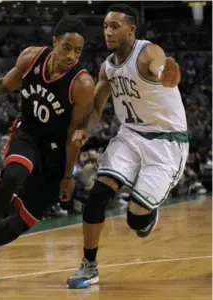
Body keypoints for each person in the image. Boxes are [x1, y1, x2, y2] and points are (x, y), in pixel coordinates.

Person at [0, 15, 95, 282]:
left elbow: (73, 135)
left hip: (56, 153)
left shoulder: (82, 84)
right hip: (28, 135)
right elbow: (2, 85)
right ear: (54, 41)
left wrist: (68, 176)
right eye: (67, 47)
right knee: (12, 175)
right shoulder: (30, 58)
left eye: (78, 51)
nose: (71, 55)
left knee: (23, 221)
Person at [66, 4, 188, 289]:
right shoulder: (108, 67)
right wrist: (85, 129)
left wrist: (164, 72)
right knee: (97, 195)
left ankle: (146, 213)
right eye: (106, 26)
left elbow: (159, 64)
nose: (108, 30)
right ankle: (89, 266)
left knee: (135, 219)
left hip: (166, 142)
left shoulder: (147, 52)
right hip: (130, 136)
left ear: (131, 30)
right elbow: (97, 106)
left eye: (115, 26)